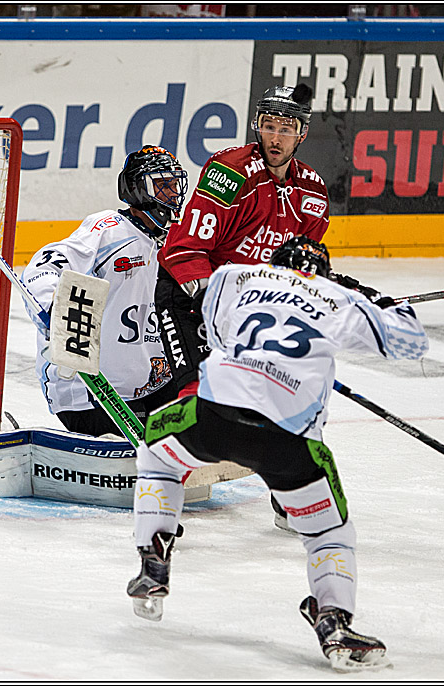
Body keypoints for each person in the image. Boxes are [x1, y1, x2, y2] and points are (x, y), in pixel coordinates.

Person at [126, 236, 429, 672]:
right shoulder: (339, 298)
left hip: (215, 414)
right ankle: (334, 619)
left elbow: (216, 331)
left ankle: (153, 560)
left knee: (157, 454)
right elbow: (411, 342)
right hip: (288, 441)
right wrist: (374, 301)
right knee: (328, 533)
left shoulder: (234, 276)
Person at [154, 82, 331, 527]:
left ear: (301, 134)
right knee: (198, 397)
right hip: (190, 300)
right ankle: (160, 502)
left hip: (248, 310)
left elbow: (298, 269)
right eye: (268, 126)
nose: (274, 137)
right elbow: (182, 251)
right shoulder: (229, 172)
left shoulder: (312, 192)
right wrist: (217, 302)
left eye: (285, 129)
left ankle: (291, 499)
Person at [21, 146, 188, 436]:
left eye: (173, 185)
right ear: (136, 190)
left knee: (198, 422)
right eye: (161, 186)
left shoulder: (177, 241)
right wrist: (52, 308)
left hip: (153, 385)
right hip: (88, 391)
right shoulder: (110, 230)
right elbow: (46, 265)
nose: (171, 196)